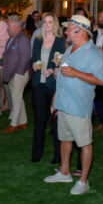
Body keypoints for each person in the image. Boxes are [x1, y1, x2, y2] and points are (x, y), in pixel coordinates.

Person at [45, 15, 103, 195]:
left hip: (79, 105)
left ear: (80, 31)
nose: (66, 31)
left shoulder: (94, 53)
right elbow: (63, 76)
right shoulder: (70, 48)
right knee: (64, 139)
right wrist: (56, 97)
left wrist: (75, 73)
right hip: (64, 103)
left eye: (70, 28)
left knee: (84, 144)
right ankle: (64, 172)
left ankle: (83, 180)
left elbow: (101, 80)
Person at [30, 13, 65, 163]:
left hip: (53, 85)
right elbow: (34, 59)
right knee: (39, 120)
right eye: (45, 22)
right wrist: (34, 65)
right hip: (39, 84)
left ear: (55, 24)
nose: (47, 24)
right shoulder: (38, 40)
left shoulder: (61, 42)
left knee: (57, 121)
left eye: (50, 22)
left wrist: (52, 69)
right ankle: (36, 154)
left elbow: (62, 62)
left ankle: (58, 155)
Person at [1, 15, 31, 133]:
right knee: (18, 97)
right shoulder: (12, 38)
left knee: (16, 98)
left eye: (8, 24)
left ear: (16, 25)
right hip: (13, 73)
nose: (7, 27)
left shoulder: (22, 39)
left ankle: (14, 123)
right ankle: (23, 121)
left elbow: (25, 58)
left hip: (19, 73)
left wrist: (18, 73)